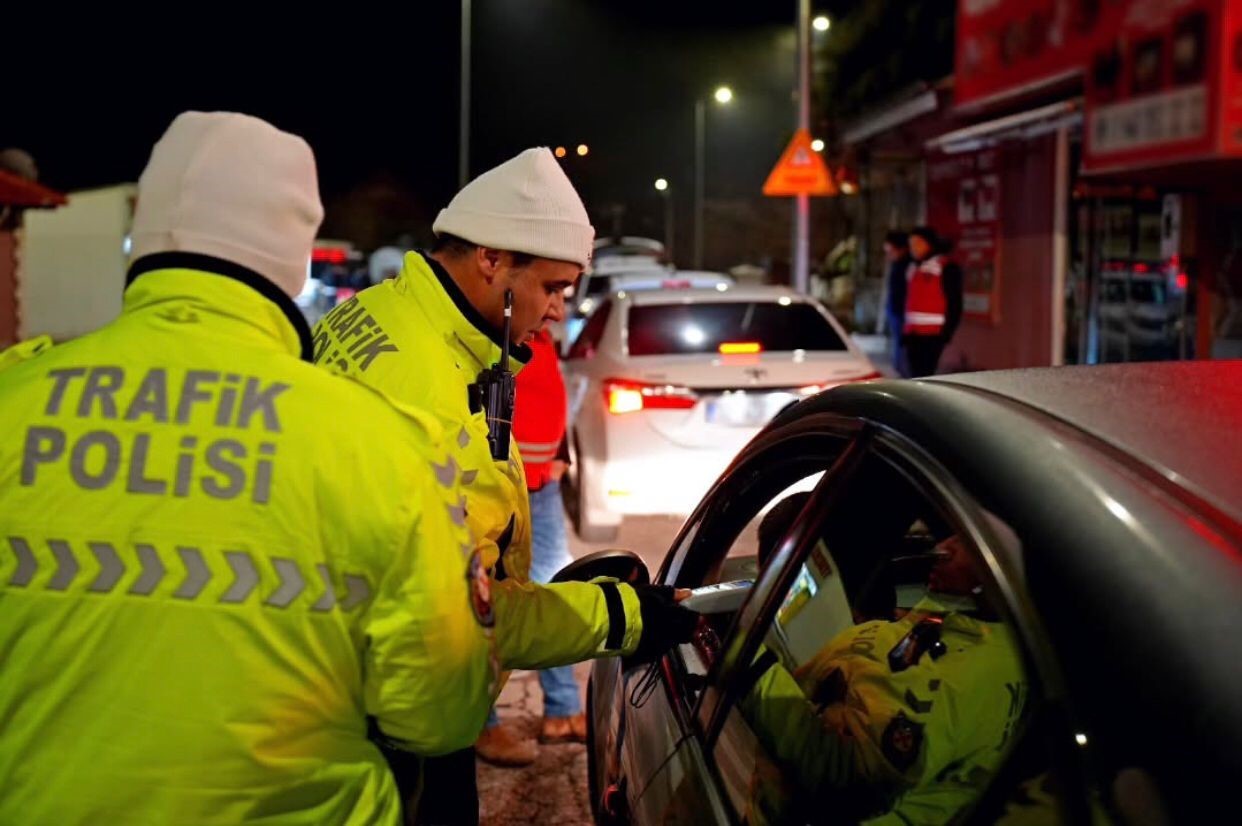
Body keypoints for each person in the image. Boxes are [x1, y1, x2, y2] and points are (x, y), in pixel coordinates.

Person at [0, 112, 499, 825]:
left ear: (144, 237)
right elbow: (440, 718)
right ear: (293, 256)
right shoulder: (378, 445)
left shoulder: (12, 401)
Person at [310, 146, 698, 820]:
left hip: (344, 681)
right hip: (400, 723)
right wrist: (626, 615)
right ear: (492, 258)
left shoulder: (383, 312)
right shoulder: (429, 392)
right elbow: (467, 619)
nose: (557, 313)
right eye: (551, 288)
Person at [740, 527, 1028, 824]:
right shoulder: (960, 628)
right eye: (952, 536)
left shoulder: (964, 679)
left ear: (1005, 576)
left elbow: (841, 777)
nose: (942, 548)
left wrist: (746, 661)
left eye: (965, 543)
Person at [475, 323, 584, 766]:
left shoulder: (538, 334)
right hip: (499, 488)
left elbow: (548, 399)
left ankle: (562, 708)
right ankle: (480, 724)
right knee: (486, 600)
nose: (560, 305)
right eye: (553, 288)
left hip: (541, 486)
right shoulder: (489, 333)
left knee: (552, 587)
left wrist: (559, 457)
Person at [903, 226, 963, 378]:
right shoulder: (912, 268)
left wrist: (946, 333)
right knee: (914, 376)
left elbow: (955, 303)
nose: (913, 248)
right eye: (911, 244)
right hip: (912, 333)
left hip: (933, 335)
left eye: (918, 243)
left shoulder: (946, 267)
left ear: (930, 243)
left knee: (926, 375)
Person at [882, 230, 912, 378]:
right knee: (897, 350)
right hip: (896, 311)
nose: (888, 254)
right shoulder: (898, 264)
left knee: (902, 352)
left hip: (903, 314)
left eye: (890, 250)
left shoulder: (907, 265)